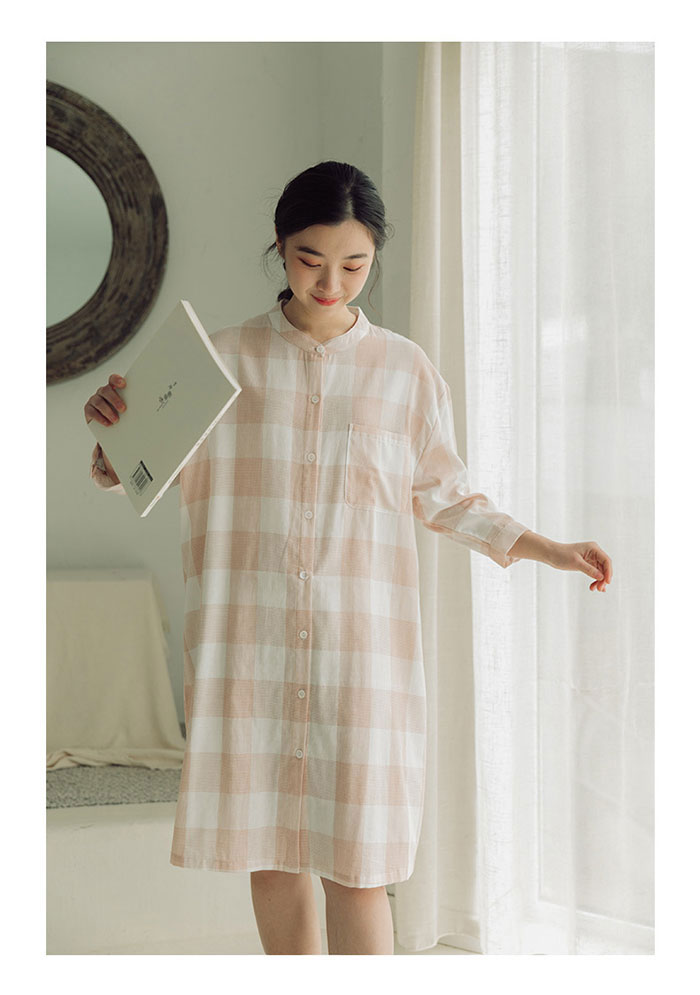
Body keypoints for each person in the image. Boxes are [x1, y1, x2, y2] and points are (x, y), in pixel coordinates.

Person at [84, 160, 613, 955]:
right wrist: (111, 430)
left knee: (361, 867)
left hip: (361, 659)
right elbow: (133, 468)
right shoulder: (216, 363)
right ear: (280, 246)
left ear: (375, 258)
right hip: (252, 650)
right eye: (310, 259)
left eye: (355, 265)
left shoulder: (406, 372)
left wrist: (549, 548)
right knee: (271, 854)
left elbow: (449, 497)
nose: (330, 283)